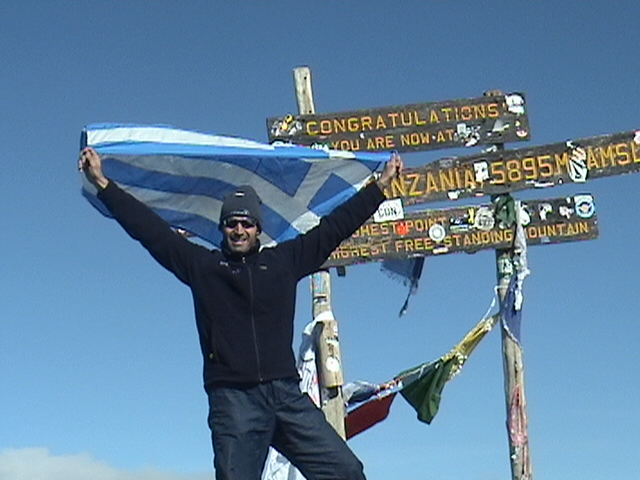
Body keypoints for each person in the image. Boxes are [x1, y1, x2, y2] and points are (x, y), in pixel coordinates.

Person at [79, 146, 403, 480]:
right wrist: (103, 184)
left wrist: (378, 189)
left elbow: (334, 229)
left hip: (285, 395)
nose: (238, 230)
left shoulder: (283, 262)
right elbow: (151, 231)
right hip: (234, 401)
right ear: (222, 227)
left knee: (346, 471)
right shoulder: (203, 267)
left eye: (246, 223)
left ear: (258, 228)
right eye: (231, 223)